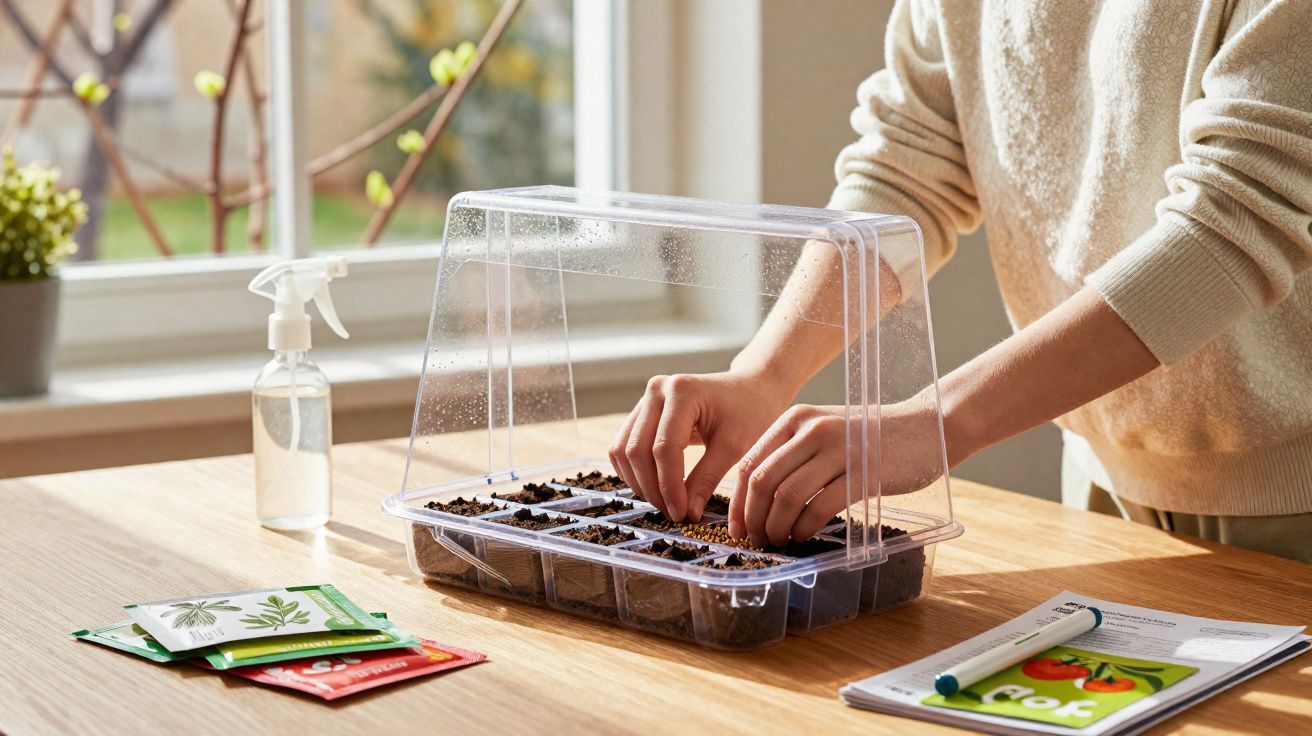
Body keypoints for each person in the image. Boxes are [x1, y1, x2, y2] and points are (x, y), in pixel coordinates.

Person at [609, 0, 1312, 563]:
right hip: (1100, 486)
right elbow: (908, 161)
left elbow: (1237, 222)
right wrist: (764, 373)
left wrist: (936, 422)